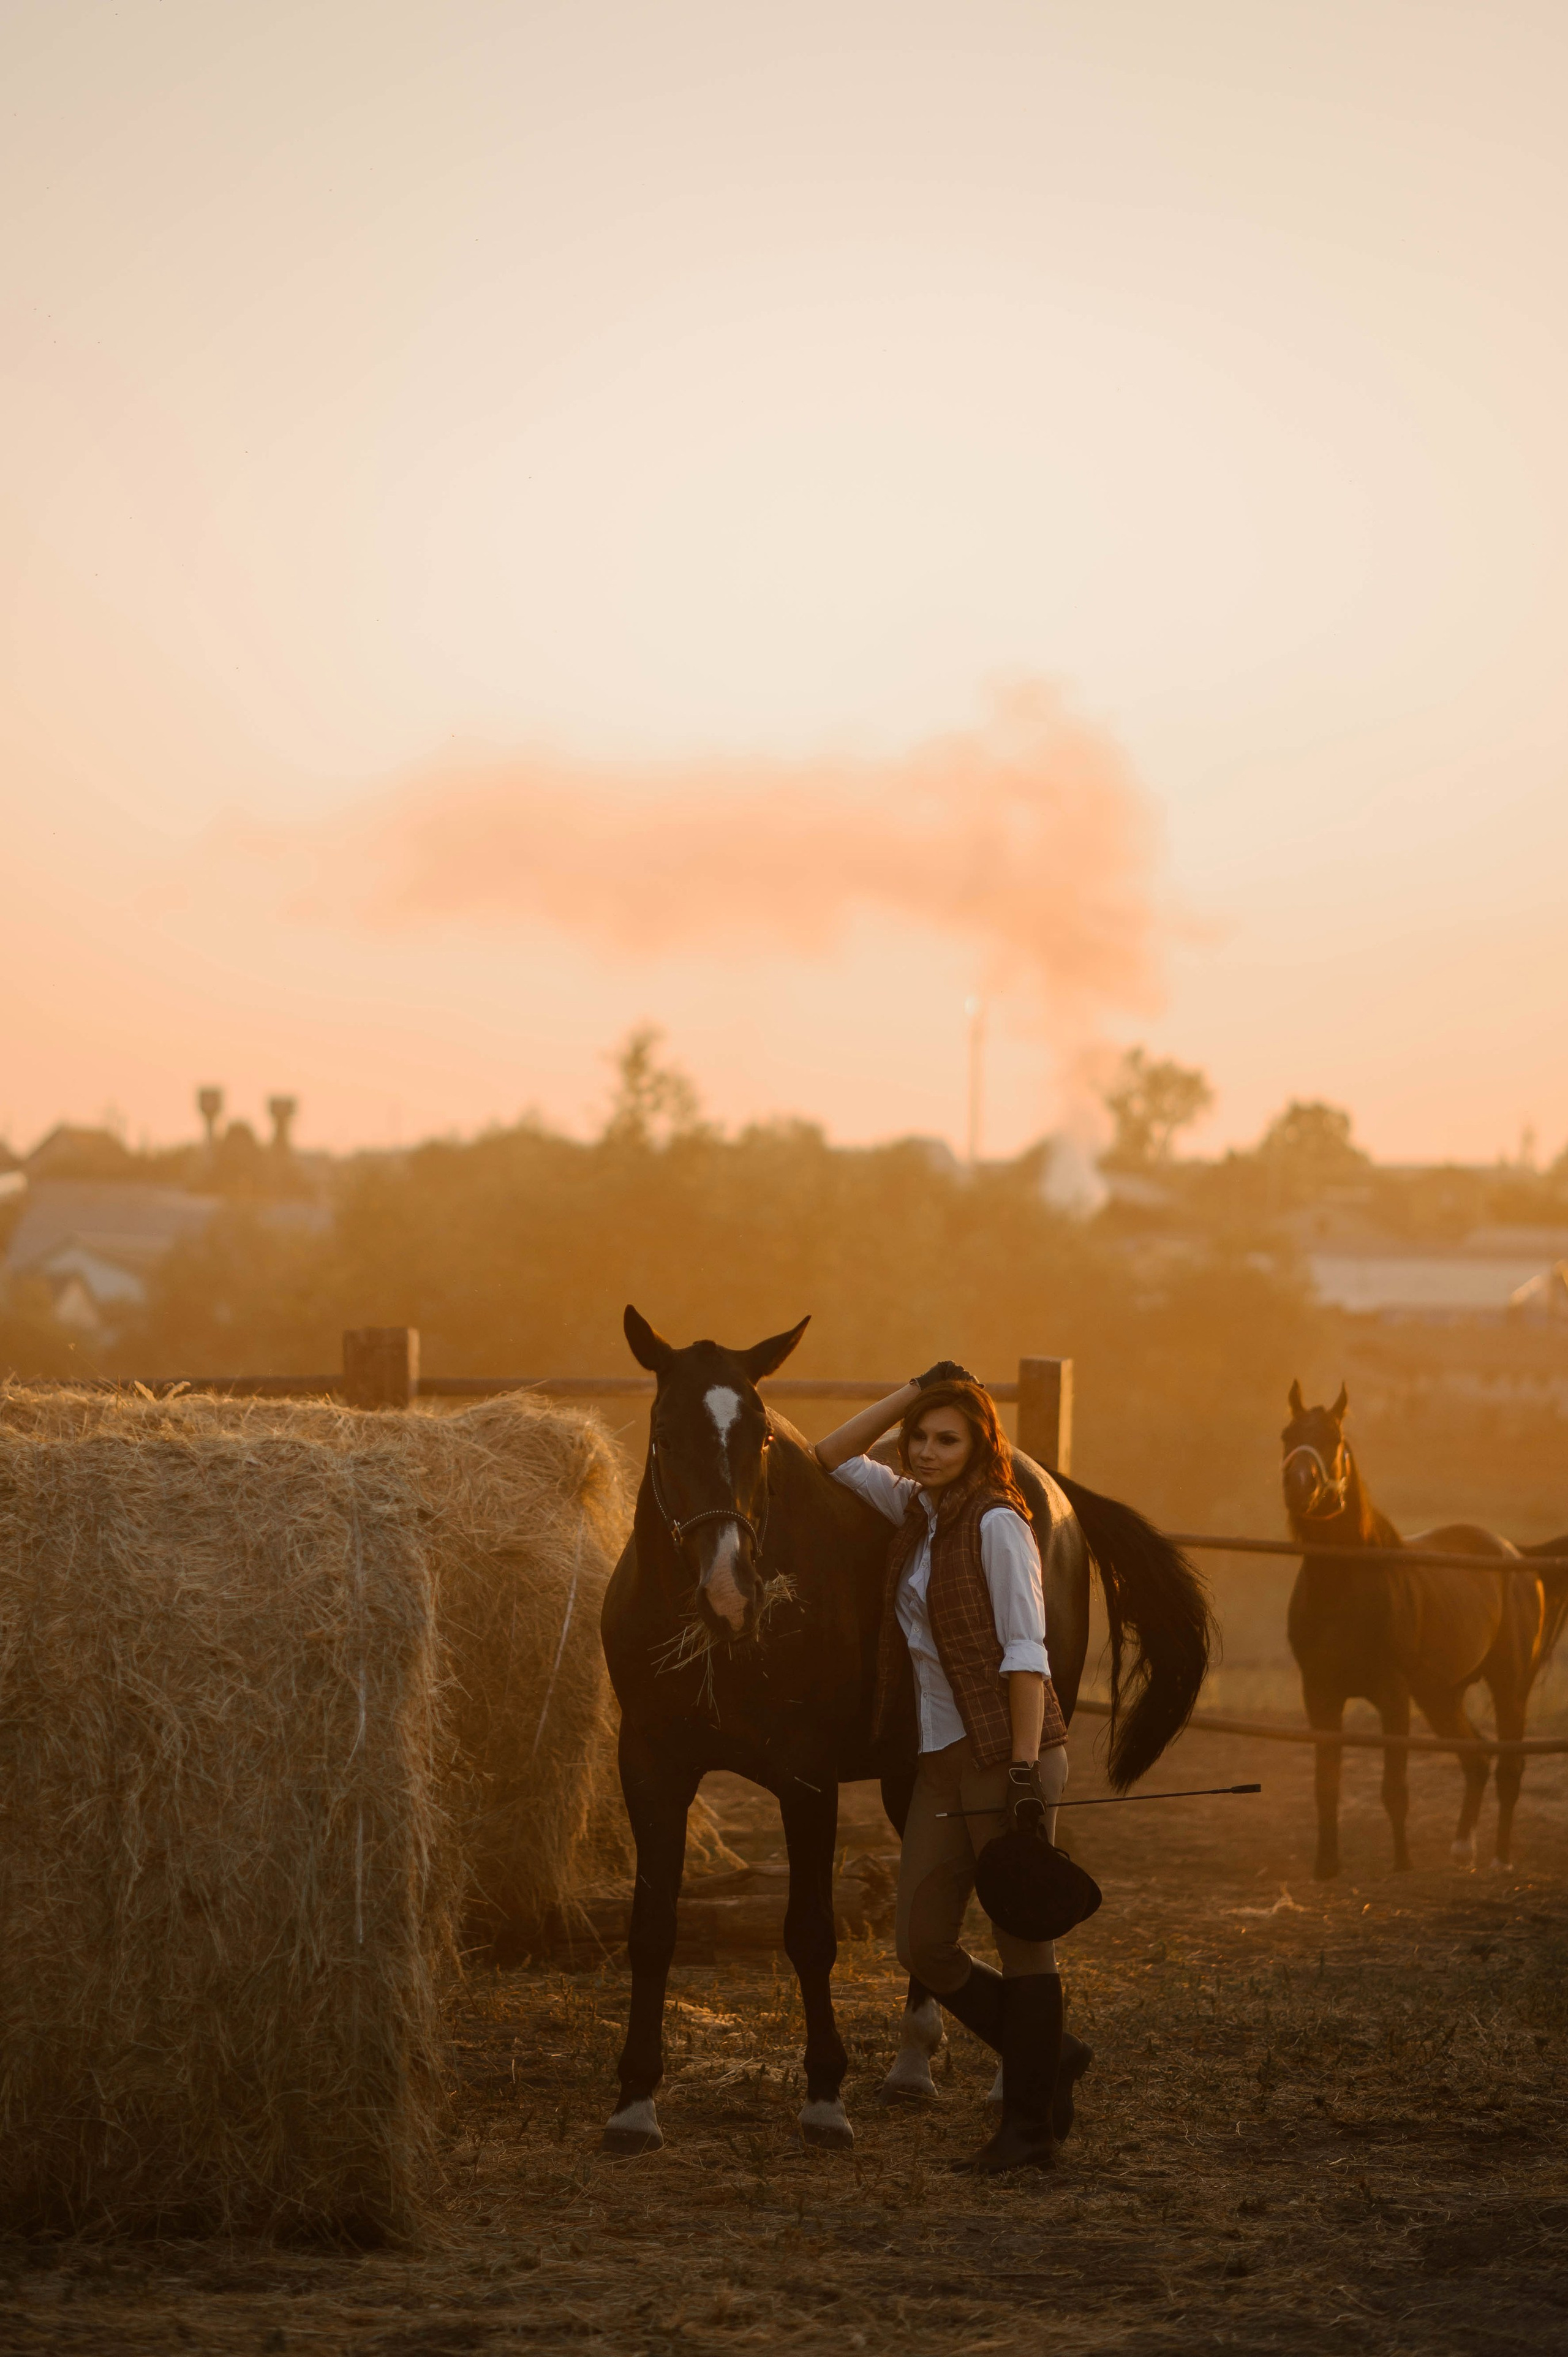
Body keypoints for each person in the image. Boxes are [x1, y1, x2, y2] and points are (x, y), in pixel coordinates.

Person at [815, 1361, 1071, 2172]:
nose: (926, 1451)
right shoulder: (917, 1511)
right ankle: (1050, 2051)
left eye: (945, 1439)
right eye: (920, 1438)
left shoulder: (998, 1523)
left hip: (1005, 1754)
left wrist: (1025, 1772)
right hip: (937, 1762)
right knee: (923, 1944)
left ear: (978, 1445)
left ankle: (1028, 2130)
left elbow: (1027, 1652)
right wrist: (912, 1391)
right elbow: (829, 1456)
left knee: (1022, 1940)